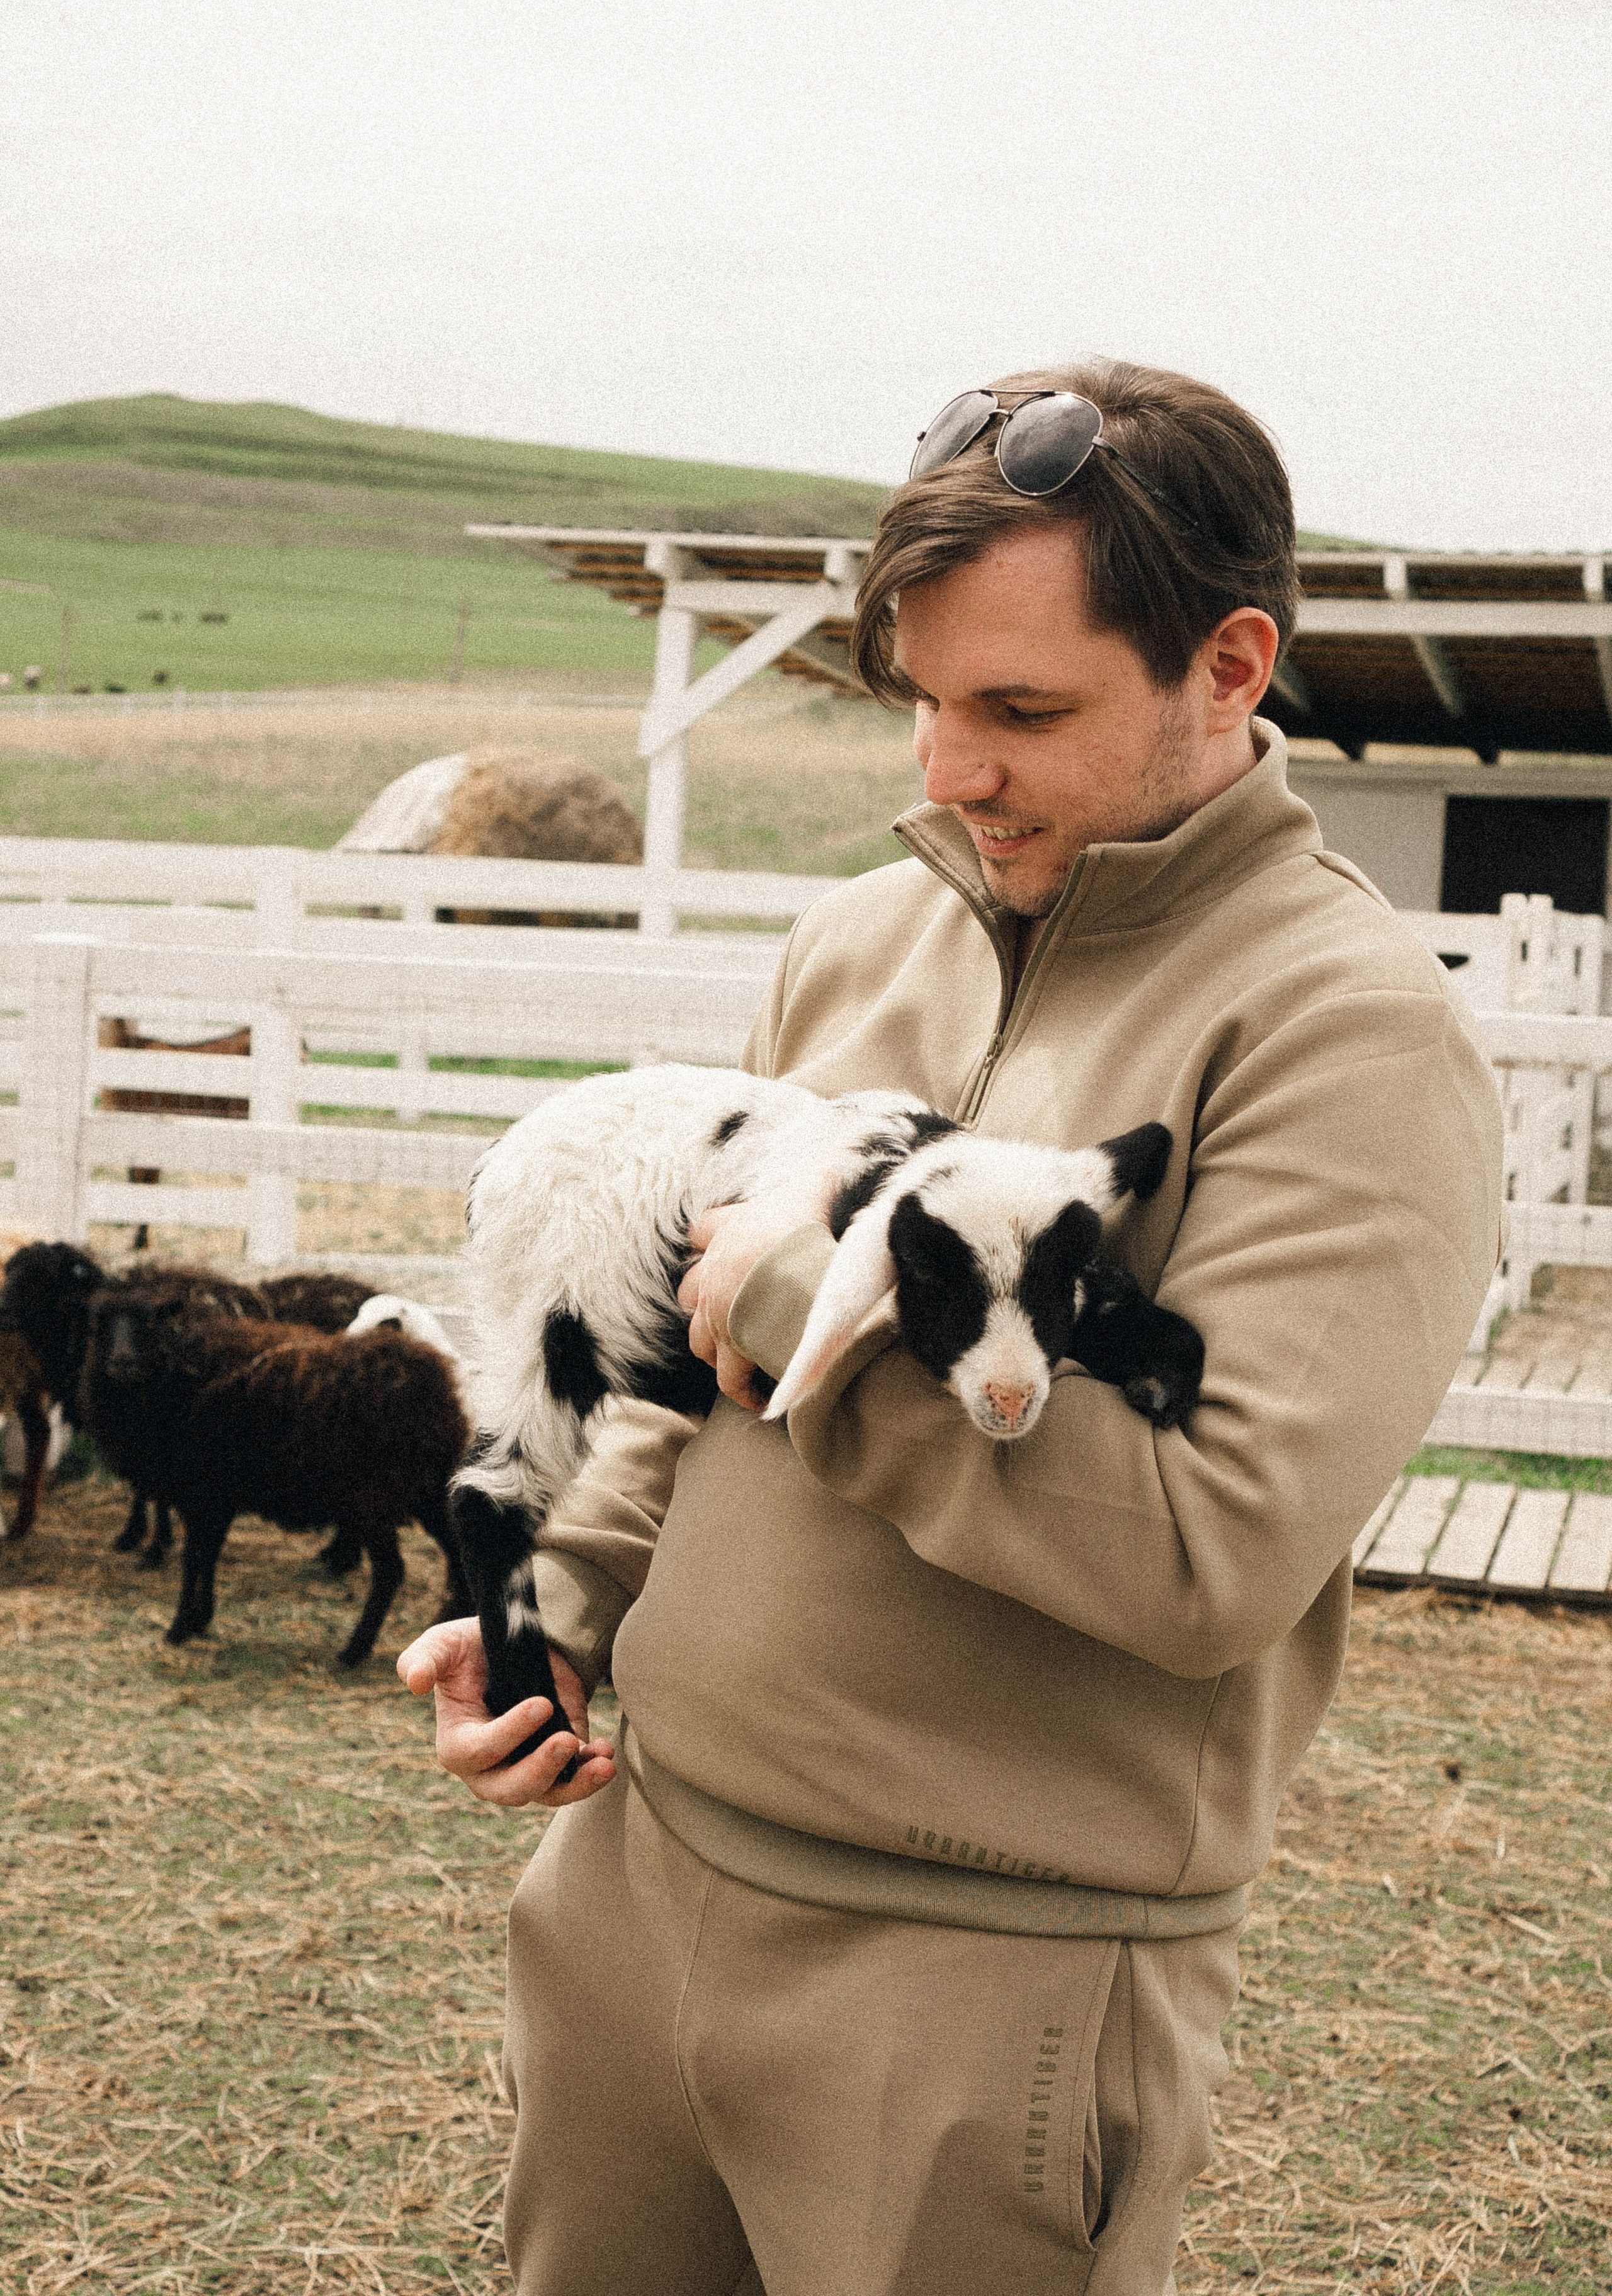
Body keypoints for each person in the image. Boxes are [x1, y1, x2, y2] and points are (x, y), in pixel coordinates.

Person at [400, 358, 1502, 2296]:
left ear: (1233, 664)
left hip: (984, 1985)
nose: (949, 772)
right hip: (634, 1903)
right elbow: (684, 1377)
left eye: (1023, 710)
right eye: (924, 699)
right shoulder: (854, 943)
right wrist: (564, 1604)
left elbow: (1210, 1549)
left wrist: (802, 1314)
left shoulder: (1347, 1038)